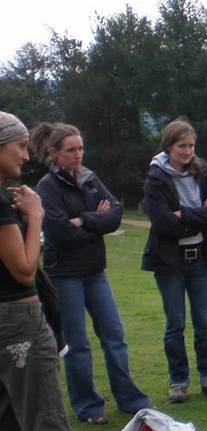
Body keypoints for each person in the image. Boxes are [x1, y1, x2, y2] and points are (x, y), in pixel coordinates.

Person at [31, 122, 150, 424]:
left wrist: (83, 219)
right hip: (64, 275)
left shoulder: (89, 178)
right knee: (78, 343)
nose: (78, 155)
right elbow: (59, 233)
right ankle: (88, 407)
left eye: (81, 148)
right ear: (55, 153)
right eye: (71, 150)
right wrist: (95, 221)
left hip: (95, 271)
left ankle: (130, 400)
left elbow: (115, 214)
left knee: (114, 335)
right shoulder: (47, 187)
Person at [141, 117, 207, 403]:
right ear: (168, 146)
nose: (188, 151)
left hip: (201, 260)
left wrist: (185, 214)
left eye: (191, 145)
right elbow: (163, 223)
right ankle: (178, 382)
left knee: (203, 322)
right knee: (175, 323)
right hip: (170, 262)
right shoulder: (156, 179)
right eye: (182, 146)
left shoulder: (204, 173)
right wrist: (200, 216)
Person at [0, 111, 70, 430]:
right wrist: (35, 214)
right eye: (21, 146)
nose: (26, 156)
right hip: (18, 323)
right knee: (45, 417)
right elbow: (25, 271)